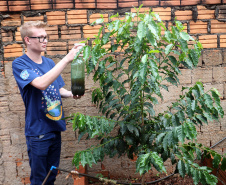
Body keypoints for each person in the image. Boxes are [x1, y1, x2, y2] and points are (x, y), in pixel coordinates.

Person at [12, 21, 83, 185]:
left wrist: (72, 94)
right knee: (39, 179)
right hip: (38, 132)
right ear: (27, 40)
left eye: (46, 37)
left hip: (54, 127)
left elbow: (57, 89)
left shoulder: (50, 63)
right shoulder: (20, 64)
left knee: (51, 176)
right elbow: (41, 83)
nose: (45, 40)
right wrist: (66, 59)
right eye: (40, 37)